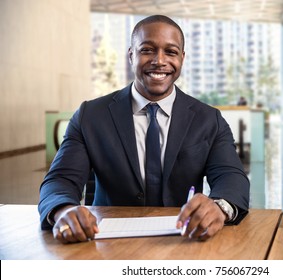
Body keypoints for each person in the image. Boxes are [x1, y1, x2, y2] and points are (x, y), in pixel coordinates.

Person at [38, 15, 250, 244]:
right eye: (147, 50)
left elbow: (232, 176)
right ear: (131, 55)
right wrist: (64, 209)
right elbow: (60, 179)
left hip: (184, 240)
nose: (160, 61)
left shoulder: (209, 119)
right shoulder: (91, 116)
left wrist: (218, 207)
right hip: (106, 243)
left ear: (182, 58)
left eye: (170, 52)